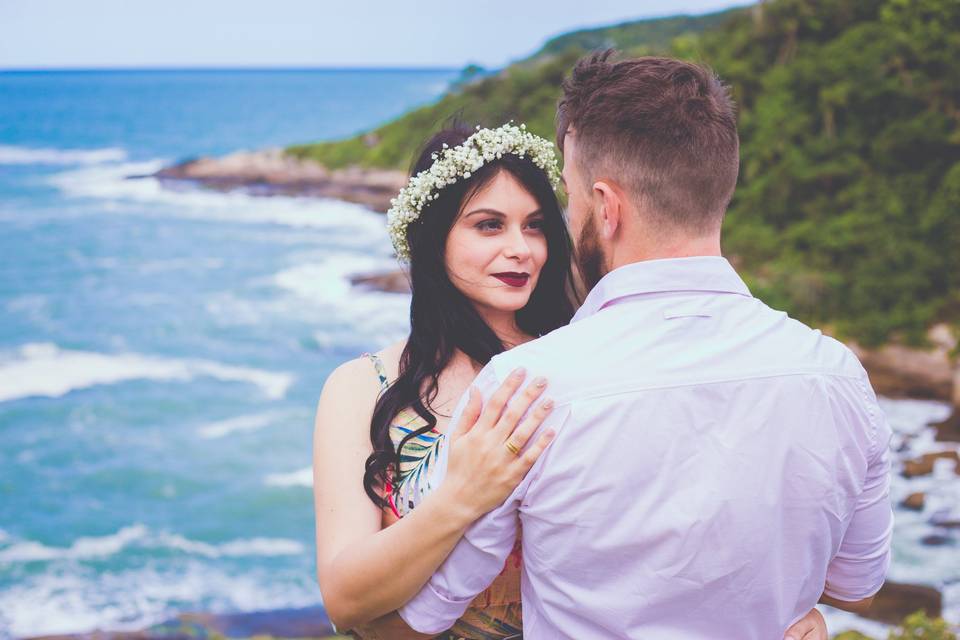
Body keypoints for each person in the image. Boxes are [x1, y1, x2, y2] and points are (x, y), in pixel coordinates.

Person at [389, 53, 894, 639]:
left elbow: (428, 610)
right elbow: (858, 580)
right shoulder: (836, 375)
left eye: (570, 201)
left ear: (606, 208)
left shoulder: (524, 387)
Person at [312, 120, 830, 638]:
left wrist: (783, 610)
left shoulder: (595, 372)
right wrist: (461, 497)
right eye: (489, 225)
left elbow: (694, 530)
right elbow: (344, 600)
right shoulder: (364, 387)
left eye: (535, 225)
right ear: (433, 236)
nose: (521, 249)